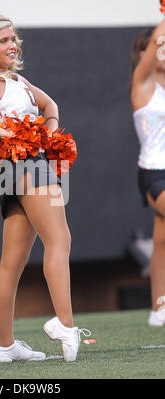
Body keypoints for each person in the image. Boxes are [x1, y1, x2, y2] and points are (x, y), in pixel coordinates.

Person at [0, 12, 90, 362]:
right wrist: (6, 133)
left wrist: (51, 131)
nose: (13, 44)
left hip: (12, 172)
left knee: (12, 262)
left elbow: (50, 105)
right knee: (60, 240)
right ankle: (65, 324)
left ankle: (4, 344)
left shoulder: (18, 82)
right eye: (4, 40)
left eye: (14, 38)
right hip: (25, 166)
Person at [130, 19, 165, 326]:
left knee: (161, 240)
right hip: (155, 172)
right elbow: (156, 42)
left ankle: (158, 308)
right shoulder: (142, 86)